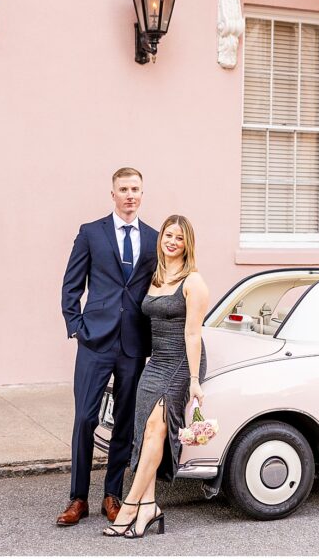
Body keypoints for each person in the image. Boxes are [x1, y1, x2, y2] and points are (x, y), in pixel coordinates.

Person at [58, 168, 157, 527]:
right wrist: (77, 328)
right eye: (123, 189)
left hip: (133, 344)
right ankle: (78, 498)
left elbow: (157, 288)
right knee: (85, 418)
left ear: (142, 194)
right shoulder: (91, 233)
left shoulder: (152, 238)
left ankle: (112, 495)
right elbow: (71, 285)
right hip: (95, 342)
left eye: (135, 189)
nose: (130, 195)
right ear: (112, 193)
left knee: (125, 424)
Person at [103, 215, 209, 538]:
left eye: (179, 237)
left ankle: (131, 505)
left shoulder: (194, 282)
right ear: (160, 238)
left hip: (181, 361)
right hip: (156, 360)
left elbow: (193, 335)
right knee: (146, 431)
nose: (172, 241)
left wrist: (193, 381)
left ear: (187, 244)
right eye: (167, 235)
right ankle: (149, 506)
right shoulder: (156, 275)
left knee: (156, 429)